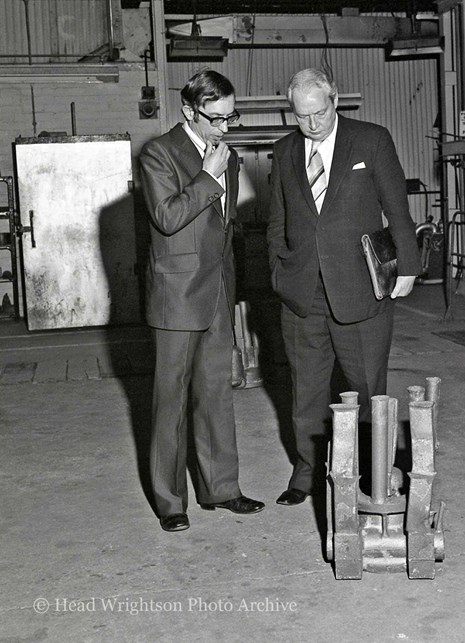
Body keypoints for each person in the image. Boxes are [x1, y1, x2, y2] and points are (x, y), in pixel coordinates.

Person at [267, 68, 421, 506]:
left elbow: (397, 208)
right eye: (301, 117)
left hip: (361, 290)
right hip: (303, 295)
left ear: (335, 100)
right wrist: (280, 273)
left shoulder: (370, 139)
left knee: (370, 390)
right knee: (306, 392)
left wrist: (407, 266)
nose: (312, 125)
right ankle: (307, 473)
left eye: (319, 112)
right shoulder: (283, 152)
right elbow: (276, 222)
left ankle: (375, 473)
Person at [140, 70, 264, 532]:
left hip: (217, 291)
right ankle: (171, 502)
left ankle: (222, 488)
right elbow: (167, 217)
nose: (226, 128)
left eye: (232, 117)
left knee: (216, 394)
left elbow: (225, 227)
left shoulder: (226, 154)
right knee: (169, 401)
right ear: (190, 112)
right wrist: (209, 177)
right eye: (216, 119)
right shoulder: (158, 153)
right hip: (176, 296)